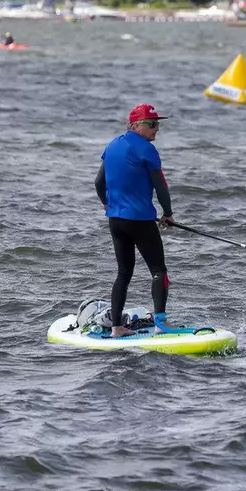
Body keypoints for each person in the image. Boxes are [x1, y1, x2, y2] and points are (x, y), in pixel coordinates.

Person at [95, 103, 176, 337]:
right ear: (135, 125)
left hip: (116, 221)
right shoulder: (147, 150)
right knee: (159, 271)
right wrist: (168, 214)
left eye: (157, 124)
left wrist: (105, 202)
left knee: (123, 273)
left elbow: (99, 182)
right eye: (151, 124)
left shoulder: (112, 146)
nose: (156, 128)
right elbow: (161, 186)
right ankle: (160, 323)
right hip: (140, 220)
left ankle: (117, 328)